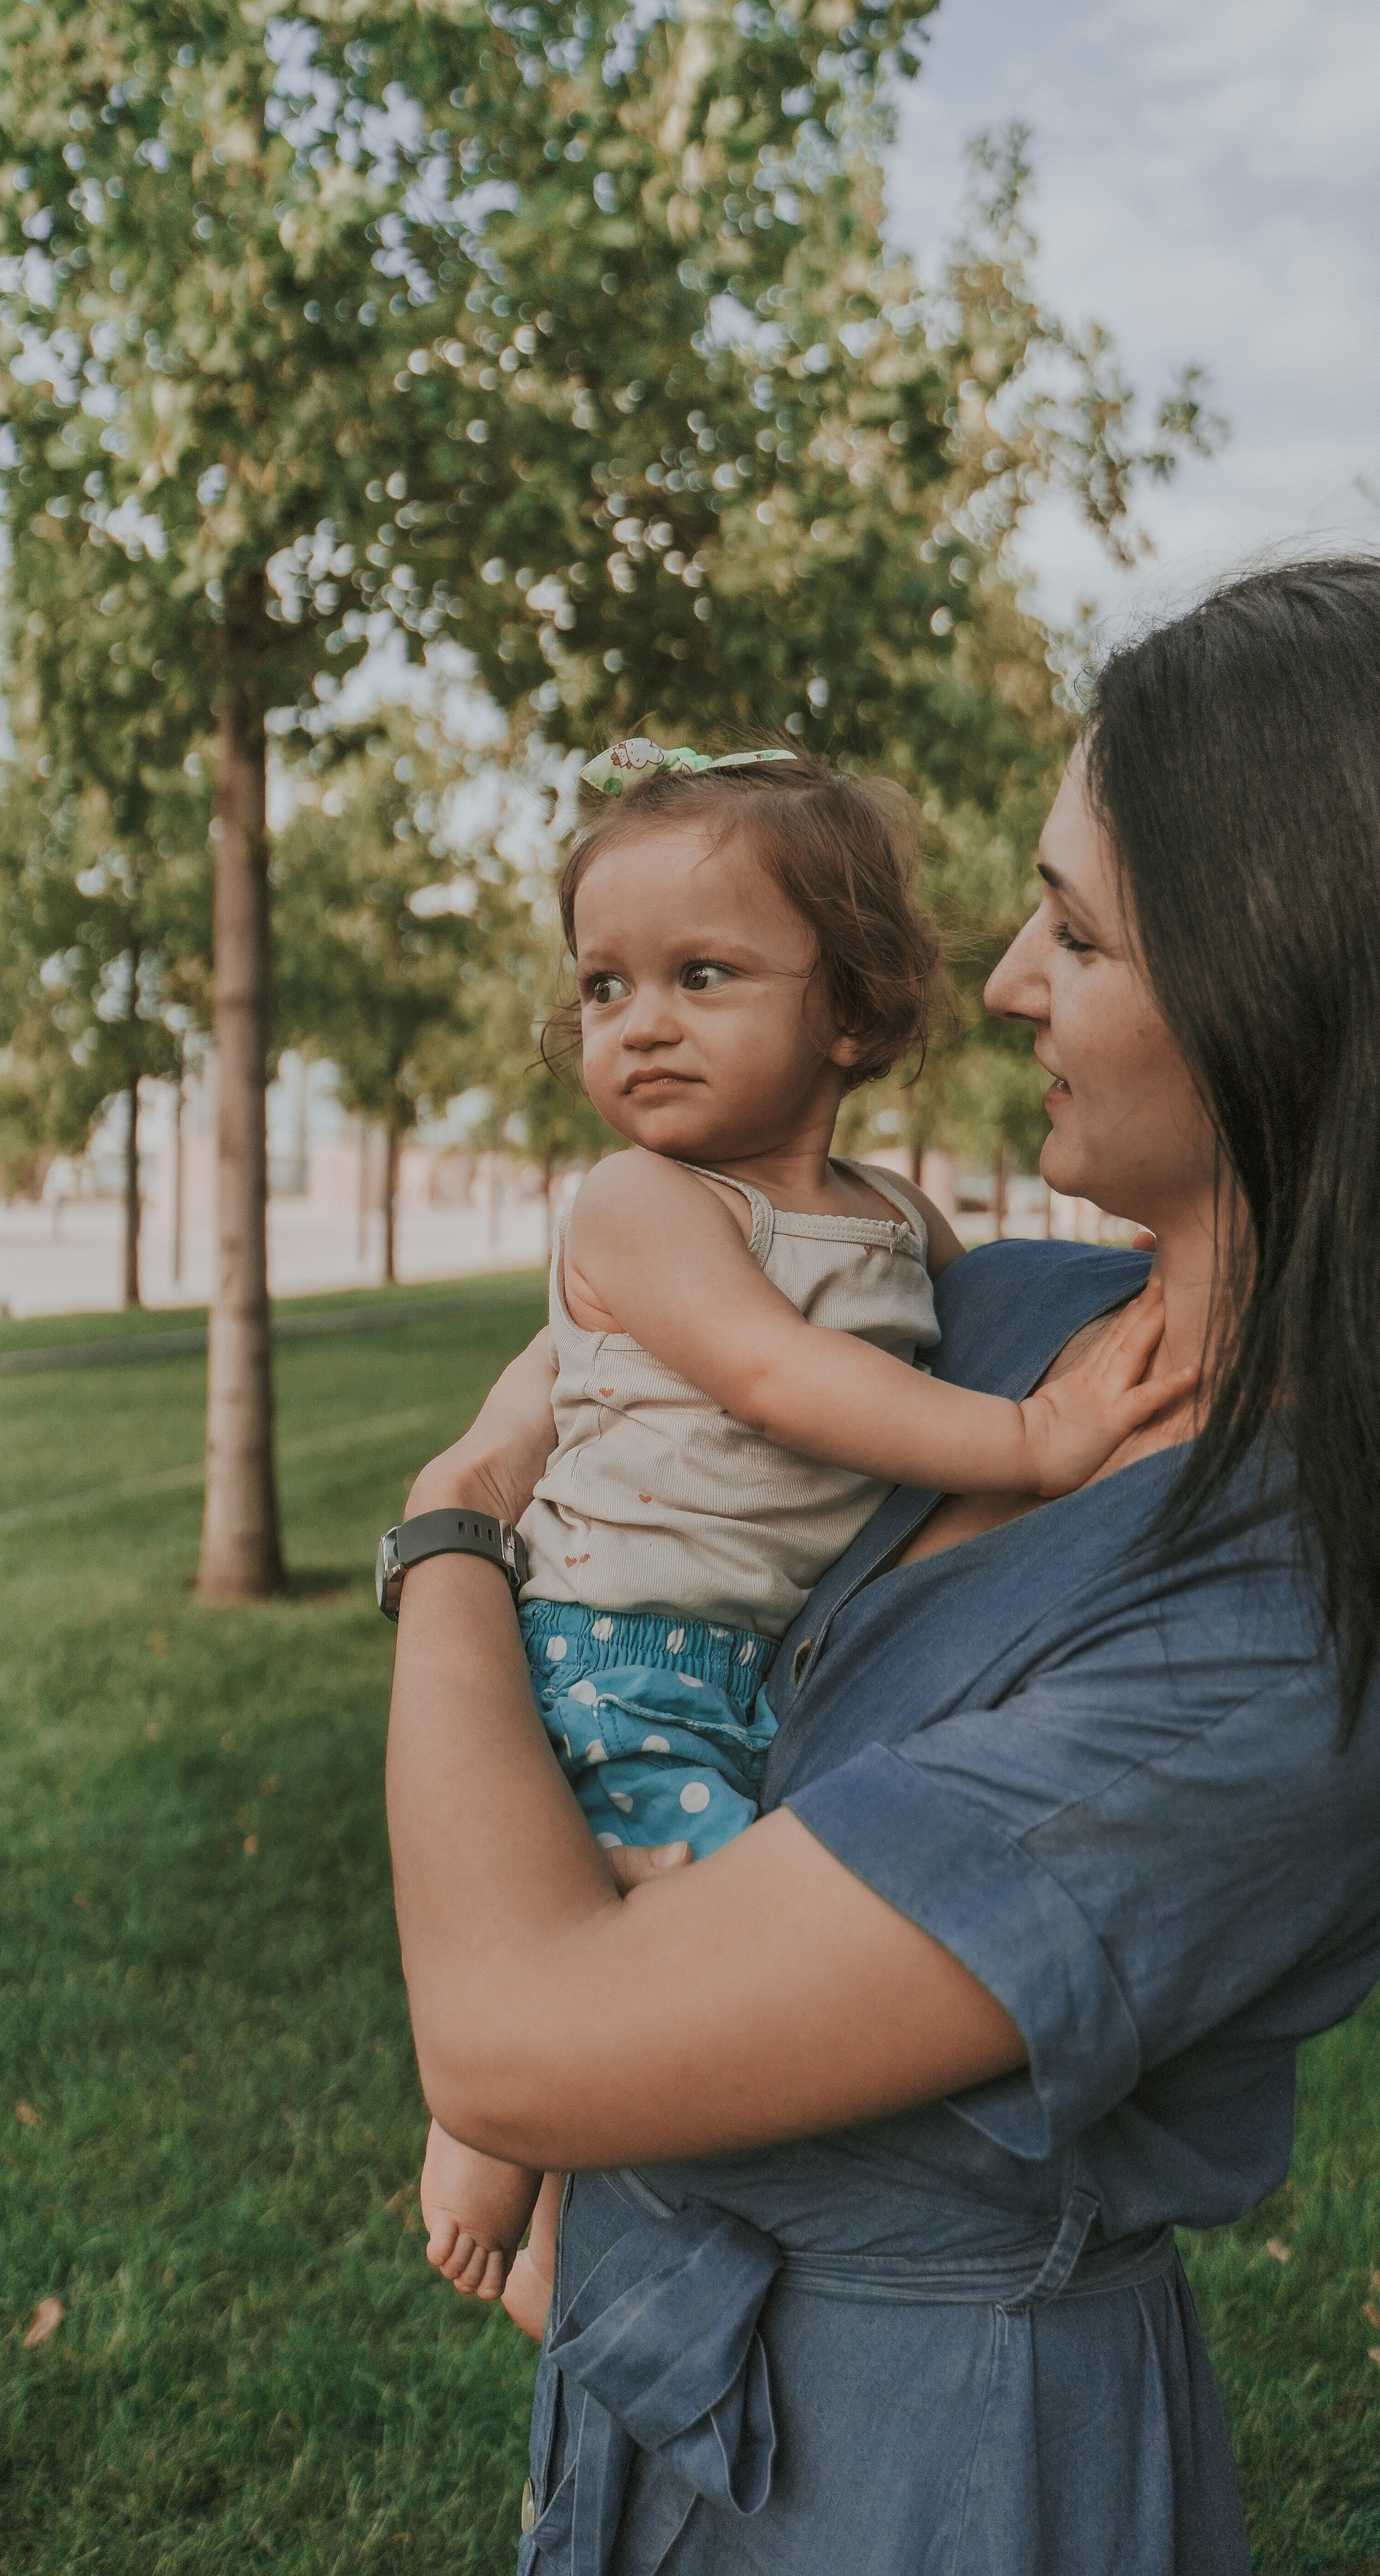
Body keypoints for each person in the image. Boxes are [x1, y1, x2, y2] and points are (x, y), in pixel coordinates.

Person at [384, 556, 1380, 2574]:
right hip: (665, 2377)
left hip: (926, 2469)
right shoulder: (985, 1317)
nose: (1005, 981)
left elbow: (516, 2041)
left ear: (1285, 987)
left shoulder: (1287, 1646)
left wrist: (447, 1536)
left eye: (1078, 933)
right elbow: (640, 1365)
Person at [416, 741, 1186, 2339]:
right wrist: (1033, 1443)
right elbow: (786, 1380)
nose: (638, 1022)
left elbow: (936, 1343)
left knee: (669, 1929)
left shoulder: (898, 1222)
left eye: (700, 975)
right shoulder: (642, 1207)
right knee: (663, 1957)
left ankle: (541, 2143)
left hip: (752, 1659)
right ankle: (499, 2146)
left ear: (843, 1012)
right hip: (611, 1643)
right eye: (604, 986)